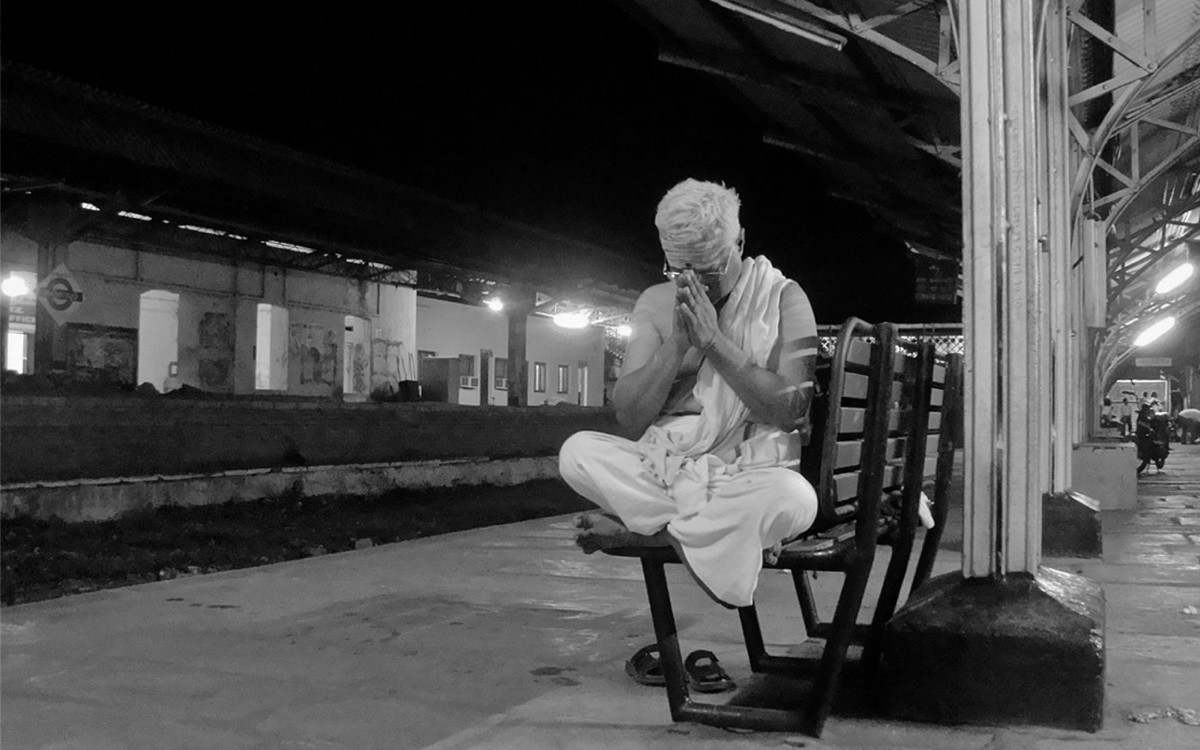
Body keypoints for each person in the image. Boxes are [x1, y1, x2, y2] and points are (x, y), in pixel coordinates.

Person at [558, 178, 819, 610]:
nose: (697, 284)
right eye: (681, 271)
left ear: (740, 240)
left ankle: (650, 531)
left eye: (709, 271)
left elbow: (791, 410)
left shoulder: (782, 297)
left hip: (747, 475)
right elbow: (629, 419)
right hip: (667, 470)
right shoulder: (656, 302)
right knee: (577, 453)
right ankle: (720, 536)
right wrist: (678, 344)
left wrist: (716, 343)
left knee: (794, 497)